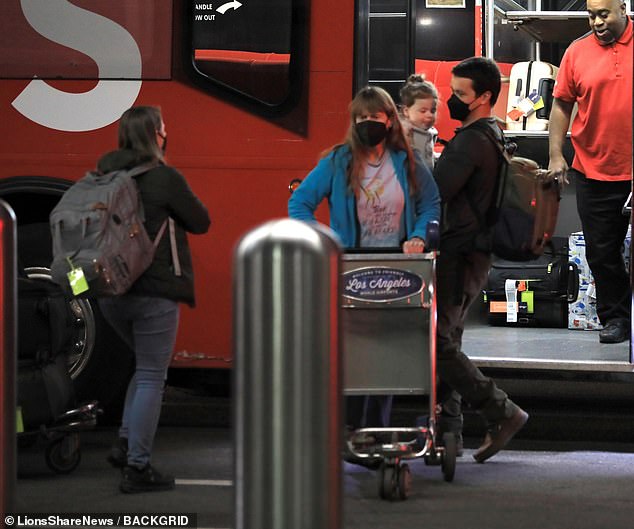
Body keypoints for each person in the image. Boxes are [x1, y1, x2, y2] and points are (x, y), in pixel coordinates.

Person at [288, 86, 440, 448]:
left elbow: (431, 204)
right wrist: (326, 241)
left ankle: (377, 428)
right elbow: (300, 205)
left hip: (397, 267)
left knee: (387, 349)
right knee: (354, 350)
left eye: (375, 117)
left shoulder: (408, 161)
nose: (368, 123)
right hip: (352, 268)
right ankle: (351, 427)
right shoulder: (338, 161)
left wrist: (418, 235)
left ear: (390, 120)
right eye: (361, 118)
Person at [98, 106, 211, 493]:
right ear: (154, 136)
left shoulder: (103, 175)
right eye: (163, 128)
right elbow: (201, 221)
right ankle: (138, 467)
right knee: (151, 374)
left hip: (109, 293)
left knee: (142, 367)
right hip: (152, 293)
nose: (167, 132)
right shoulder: (163, 178)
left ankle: (125, 442)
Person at [432, 57, 528, 463]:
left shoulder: (472, 140)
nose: (452, 100)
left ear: (484, 96)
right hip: (474, 253)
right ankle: (449, 427)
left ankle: (500, 411)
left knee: (438, 345)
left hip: (461, 251)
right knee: (449, 339)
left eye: (460, 94)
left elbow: (438, 190)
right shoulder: (492, 134)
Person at [548, 0, 632, 344]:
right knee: (602, 252)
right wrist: (555, 154)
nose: (597, 22)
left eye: (604, 14)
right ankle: (617, 318)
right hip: (594, 169)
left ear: (623, 9)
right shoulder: (577, 52)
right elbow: (561, 103)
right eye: (591, 15)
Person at [399, 74, 439, 169]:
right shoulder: (405, 135)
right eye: (423, 111)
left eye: (432, 111)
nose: (429, 115)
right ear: (406, 111)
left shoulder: (428, 132)